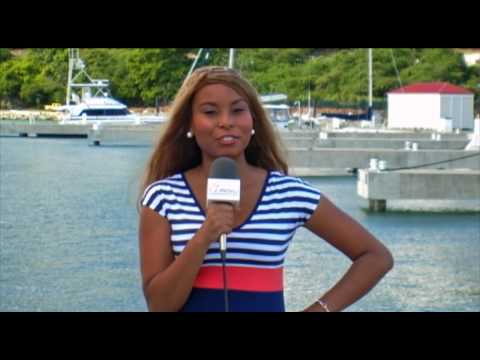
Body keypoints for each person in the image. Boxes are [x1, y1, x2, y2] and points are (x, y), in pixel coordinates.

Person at [138, 66, 393, 312]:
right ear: (189, 125)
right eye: (210, 112)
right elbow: (159, 306)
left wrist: (320, 309)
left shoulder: (290, 194)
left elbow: (375, 257)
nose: (226, 122)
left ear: (253, 121)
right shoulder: (163, 198)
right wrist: (206, 234)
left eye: (237, 110)